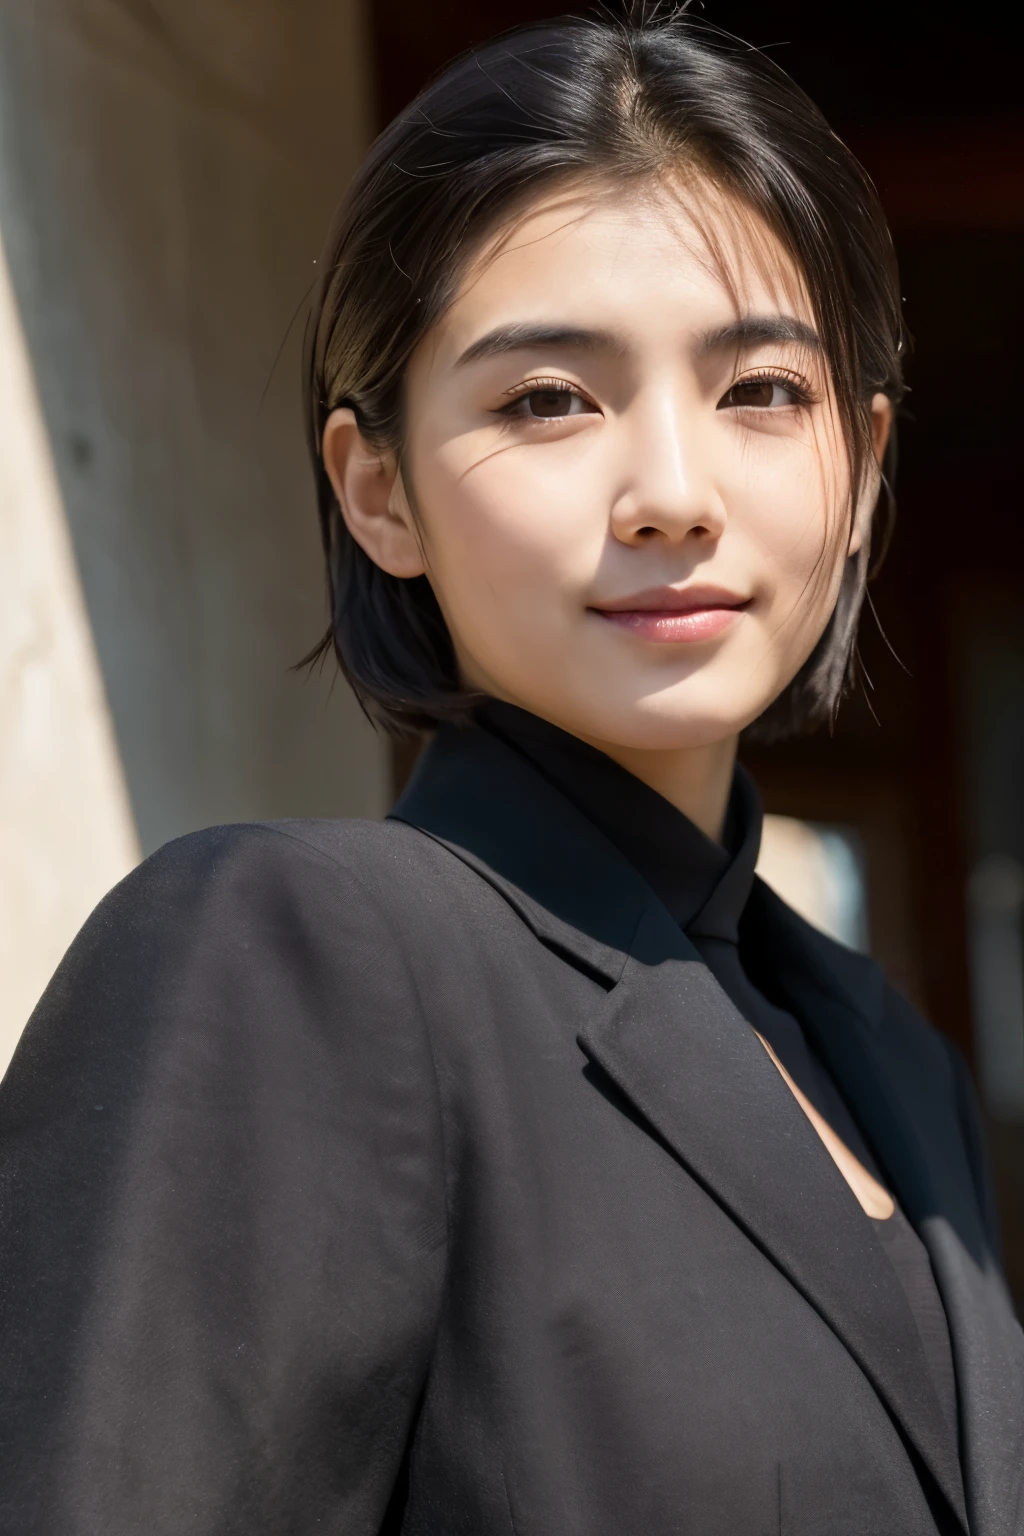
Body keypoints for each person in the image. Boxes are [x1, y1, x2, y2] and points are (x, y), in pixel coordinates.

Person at [1, 12, 1021, 1535]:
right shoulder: (292, 955)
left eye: (762, 393)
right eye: (549, 398)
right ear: (379, 492)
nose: (671, 494)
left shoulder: (887, 1055)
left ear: (864, 472)